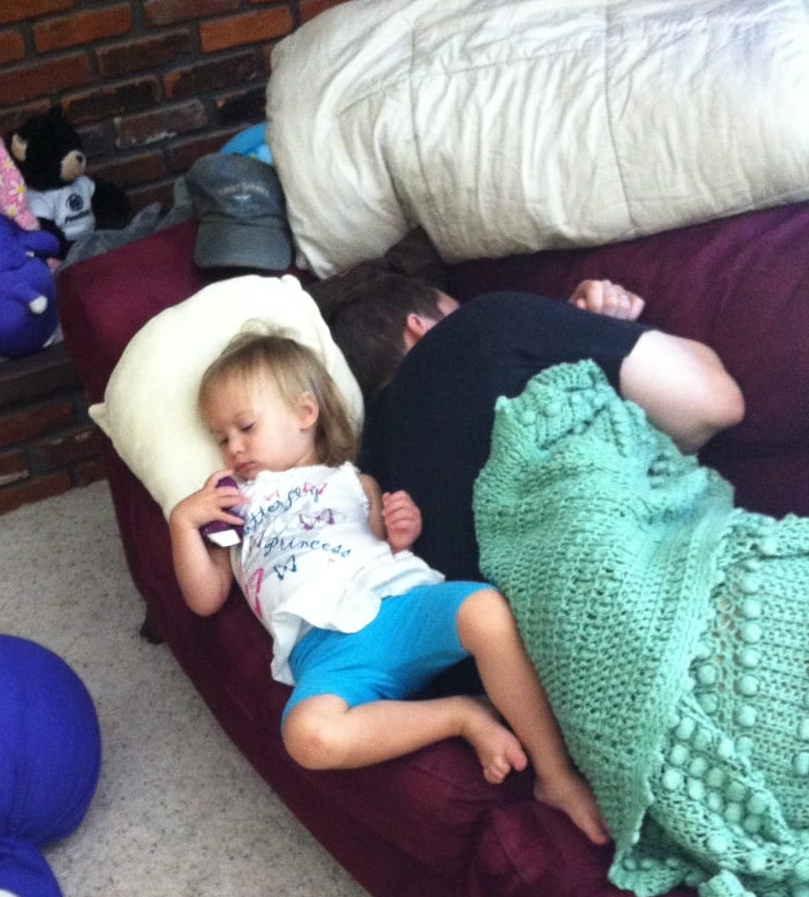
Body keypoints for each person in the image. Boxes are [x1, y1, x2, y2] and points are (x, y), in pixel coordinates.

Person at [168, 326, 609, 847]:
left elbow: (386, 544)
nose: (234, 448)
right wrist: (183, 521)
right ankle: (461, 715)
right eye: (221, 439)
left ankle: (555, 776)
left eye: (245, 427)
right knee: (307, 736)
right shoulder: (233, 509)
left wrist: (402, 532)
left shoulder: (354, 481)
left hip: (394, 605)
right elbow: (205, 598)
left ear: (305, 413)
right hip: (324, 652)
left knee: (486, 610)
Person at [327, 275, 745, 586]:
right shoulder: (480, 323)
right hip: (664, 589)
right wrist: (598, 329)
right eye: (455, 307)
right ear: (417, 326)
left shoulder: (364, 470)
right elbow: (714, 406)